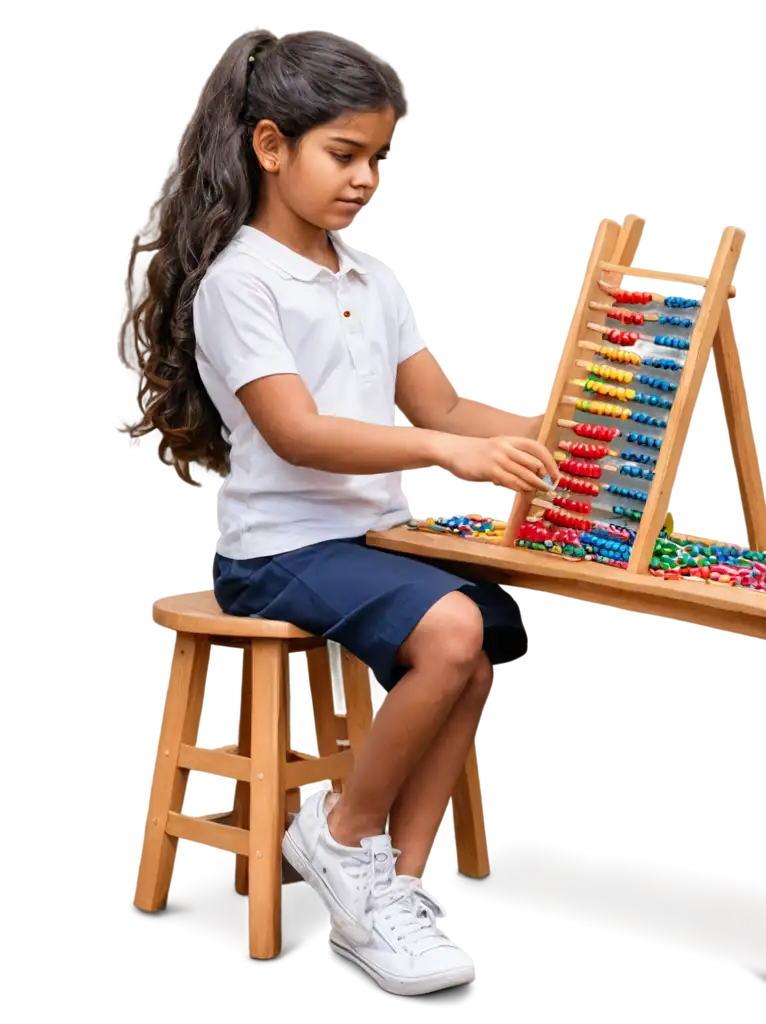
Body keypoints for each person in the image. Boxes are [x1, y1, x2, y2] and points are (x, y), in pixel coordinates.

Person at [128, 27, 559, 998]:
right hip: (277, 546)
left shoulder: (376, 278)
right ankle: (339, 834)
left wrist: (547, 437)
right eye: (344, 153)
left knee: (475, 655)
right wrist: (449, 452)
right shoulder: (238, 283)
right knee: (448, 630)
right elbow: (299, 432)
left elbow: (439, 407)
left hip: (370, 539)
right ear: (270, 145)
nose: (365, 178)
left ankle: (389, 895)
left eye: (378, 158)